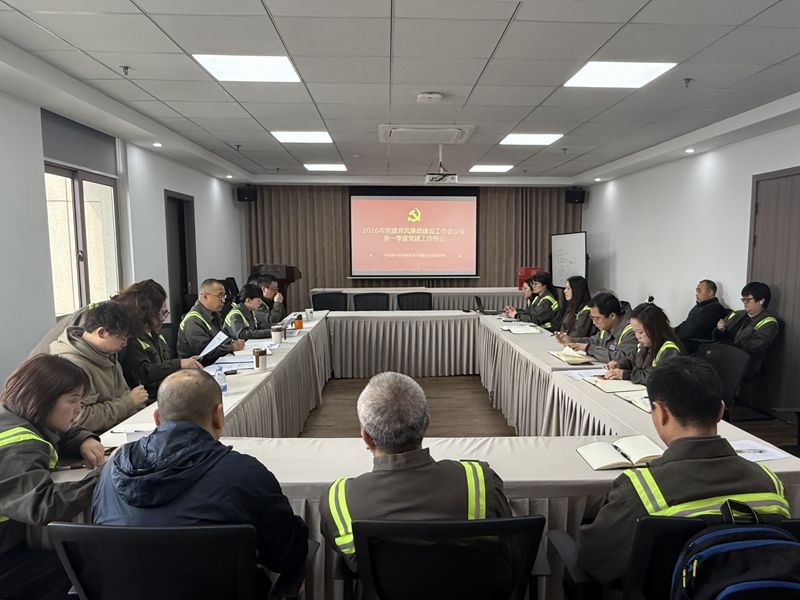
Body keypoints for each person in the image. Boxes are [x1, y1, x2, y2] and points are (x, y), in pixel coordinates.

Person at [577, 356, 790, 584]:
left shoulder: (640, 491)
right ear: (720, 411)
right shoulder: (770, 482)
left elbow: (596, 561)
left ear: (660, 413)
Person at [92, 369, 308, 579]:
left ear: (157, 418)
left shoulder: (113, 469)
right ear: (218, 416)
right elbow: (288, 556)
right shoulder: (242, 473)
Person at [319, 372, 511, 571]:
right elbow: (506, 544)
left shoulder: (337, 501)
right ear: (426, 423)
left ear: (366, 438)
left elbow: (352, 561)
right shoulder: (480, 481)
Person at [0, 355, 105, 600]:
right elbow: (43, 505)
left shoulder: (11, 417)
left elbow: (56, 432)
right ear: (42, 398)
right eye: (73, 400)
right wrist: (105, 477)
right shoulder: (19, 444)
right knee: (77, 563)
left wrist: (82, 439)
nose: (79, 409)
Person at [50, 302, 148, 434]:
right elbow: (79, 418)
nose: (125, 344)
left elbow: (125, 395)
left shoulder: (107, 354)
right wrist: (128, 402)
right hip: (91, 437)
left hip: (120, 428)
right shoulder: (71, 365)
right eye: (122, 338)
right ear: (101, 333)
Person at [116, 280, 202, 401]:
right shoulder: (129, 339)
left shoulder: (155, 334)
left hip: (166, 393)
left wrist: (183, 365)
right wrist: (179, 364)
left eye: (165, 313)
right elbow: (144, 373)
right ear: (144, 313)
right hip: (147, 401)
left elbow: (163, 364)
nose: (163, 319)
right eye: (160, 313)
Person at [603, 302, 684, 385]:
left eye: (640, 332)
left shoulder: (669, 349)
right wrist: (619, 364)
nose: (637, 336)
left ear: (654, 329)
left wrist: (625, 375)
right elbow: (631, 360)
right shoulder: (643, 345)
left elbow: (658, 377)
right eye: (635, 332)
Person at [714, 281, 779, 375]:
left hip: (744, 363)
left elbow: (755, 346)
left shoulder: (769, 322)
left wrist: (731, 345)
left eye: (748, 299)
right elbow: (718, 336)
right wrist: (721, 330)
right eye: (743, 299)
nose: (745, 302)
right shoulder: (736, 314)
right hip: (724, 354)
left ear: (761, 301)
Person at [177, 278, 245, 365]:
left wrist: (231, 341)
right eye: (220, 296)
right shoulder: (193, 320)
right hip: (198, 368)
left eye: (224, 296)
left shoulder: (214, 315)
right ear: (204, 296)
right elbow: (204, 353)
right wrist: (231, 347)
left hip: (214, 363)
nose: (223, 300)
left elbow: (219, 339)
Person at [555, 292, 638, 363]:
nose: (594, 322)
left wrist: (588, 348)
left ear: (612, 316)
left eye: (597, 318)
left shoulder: (631, 331)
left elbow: (622, 358)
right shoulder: (607, 327)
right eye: (592, 318)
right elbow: (593, 341)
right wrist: (571, 340)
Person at [675, 279, 728, 353]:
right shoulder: (699, 306)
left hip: (696, 346)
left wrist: (676, 337)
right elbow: (686, 323)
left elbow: (695, 330)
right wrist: (672, 332)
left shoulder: (714, 308)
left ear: (710, 293)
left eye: (699, 291)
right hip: (683, 341)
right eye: (697, 291)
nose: (696, 294)